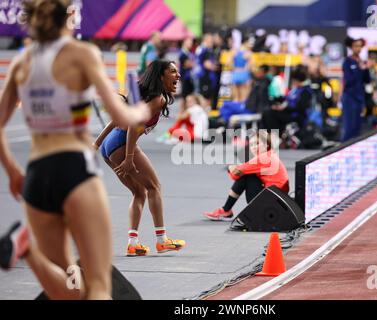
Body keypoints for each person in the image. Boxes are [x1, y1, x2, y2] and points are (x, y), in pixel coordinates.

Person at [0, 0, 150, 300]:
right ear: (70, 16)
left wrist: (13, 170)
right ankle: (28, 250)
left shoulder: (21, 63)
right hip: (74, 169)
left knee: (68, 284)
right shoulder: (82, 54)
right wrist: (140, 113)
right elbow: (120, 117)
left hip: (37, 175)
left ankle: (27, 249)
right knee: (98, 285)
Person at [94, 60, 186, 256]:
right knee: (154, 187)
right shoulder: (158, 99)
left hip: (110, 145)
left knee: (139, 193)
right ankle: (162, 240)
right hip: (121, 143)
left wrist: (97, 143)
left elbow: (117, 119)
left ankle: (133, 243)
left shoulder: (143, 96)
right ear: (161, 76)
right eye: (173, 72)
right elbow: (133, 129)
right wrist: (128, 158)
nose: (178, 76)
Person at [204, 130, 289, 221]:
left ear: (266, 145)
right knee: (247, 173)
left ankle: (226, 210)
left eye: (257, 143)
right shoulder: (270, 155)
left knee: (245, 176)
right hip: (277, 199)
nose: (253, 147)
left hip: (271, 202)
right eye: (251, 145)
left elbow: (235, 175)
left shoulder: (263, 158)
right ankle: (226, 210)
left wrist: (230, 167)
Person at [341, 36, 372, 142]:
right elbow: (348, 81)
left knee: (357, 127)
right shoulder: (347, 62)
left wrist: (366, 69)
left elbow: (367, 80)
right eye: (356, 46)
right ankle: (343, 148)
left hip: (360, 98)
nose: (358, 49)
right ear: (351, 47)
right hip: (349, 98)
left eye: (360, 46)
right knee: (349, 127)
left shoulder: (362, 62)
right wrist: (359, 69)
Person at [229, 36, 252, 102]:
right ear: (246, 42)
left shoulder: (234, 51)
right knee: (244, 98)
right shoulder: (248, 53)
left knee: (236, 98)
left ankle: (235, 110)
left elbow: (228, 62)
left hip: (235, 74)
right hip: (244, 74)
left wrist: (234, 69)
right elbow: (251, 65)